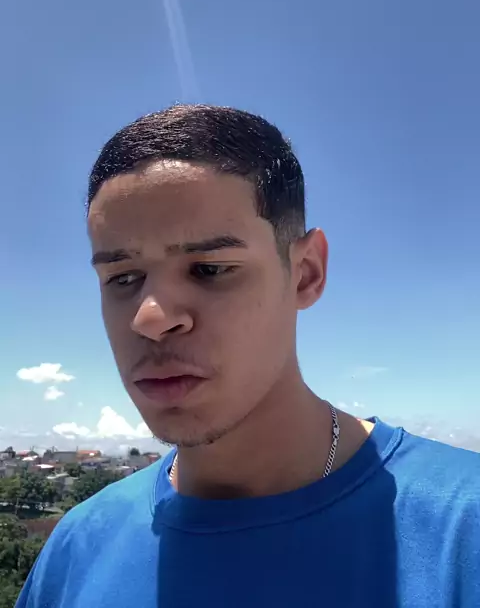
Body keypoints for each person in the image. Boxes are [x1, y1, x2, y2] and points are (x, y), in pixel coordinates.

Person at [17, 104, 480, 607]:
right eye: (122, 278)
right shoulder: (77, 549)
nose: (150, 318)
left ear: (305, 273)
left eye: (210, 269)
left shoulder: (462, 528)